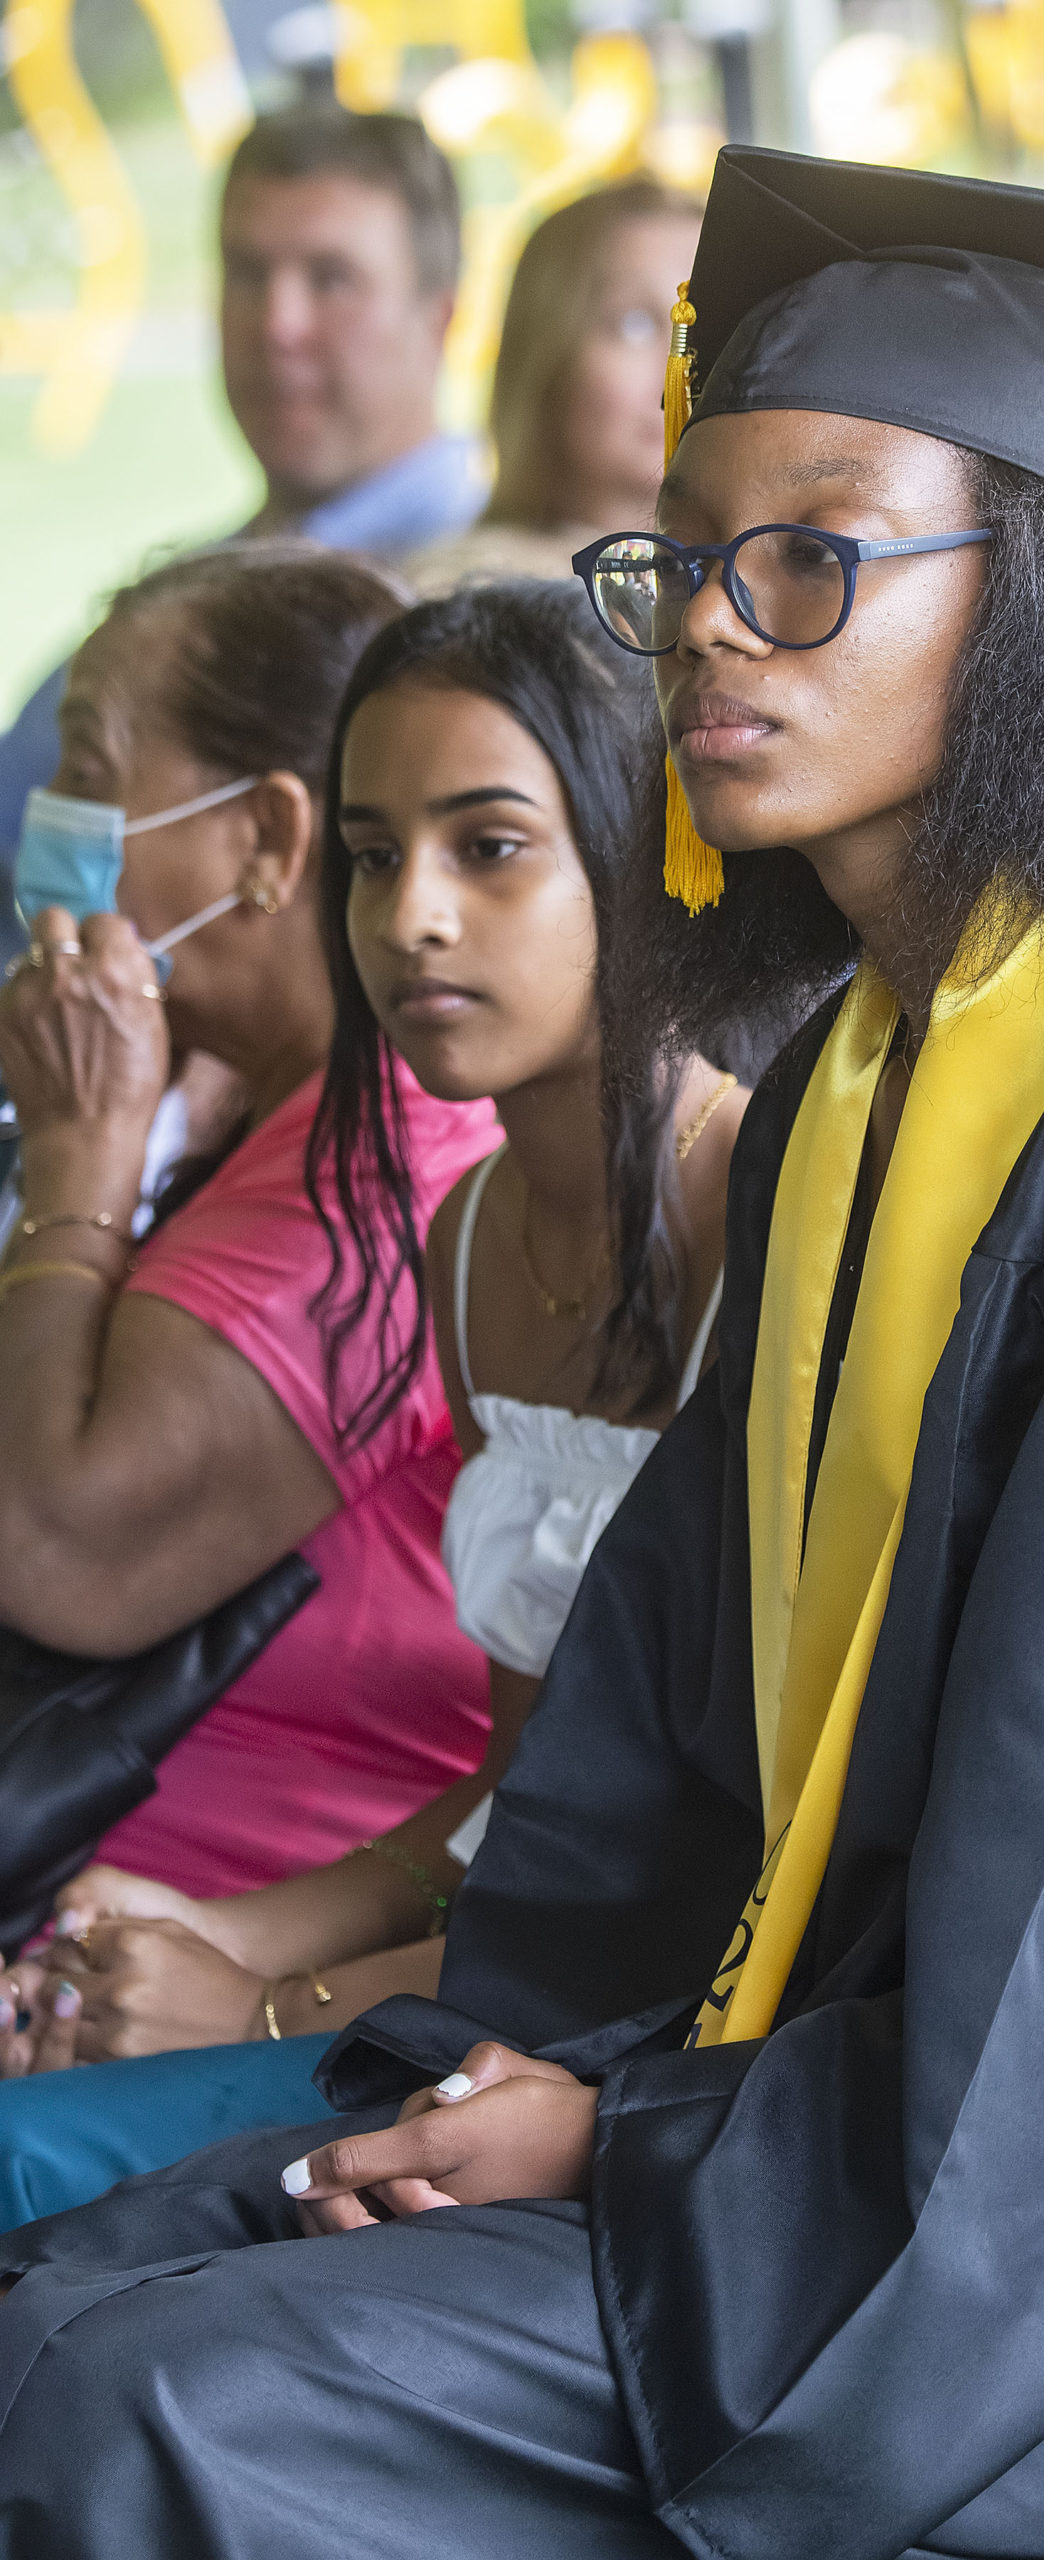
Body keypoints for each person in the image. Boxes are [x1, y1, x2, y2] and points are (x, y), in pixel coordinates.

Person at [0, 154, 1044, 2559]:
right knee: (56, 2296)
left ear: (1042, 603)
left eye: (812, 560)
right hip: (803, 2127)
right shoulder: (866, 1075)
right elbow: (672, 1774)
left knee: (155, 2403)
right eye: (682, 564)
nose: (711, 638)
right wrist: (554, 2071)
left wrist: (629, 2143)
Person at [0, 584, 746, 2224]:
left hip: (664, 2069)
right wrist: (236, 1936)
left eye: (489, 849)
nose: (411, 917)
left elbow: (712, 1874)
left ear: (631, 853)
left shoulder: (750, 1214)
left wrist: (273, 2001)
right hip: (486, 1987)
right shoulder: (474, 1240)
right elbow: (517, 1796)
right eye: (369, 852)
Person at [0, 547, 497, 1953]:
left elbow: (58, 1549)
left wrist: (81, 1163)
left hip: (156, 1987)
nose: (52, 821)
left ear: (271, 843)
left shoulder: (392, 1153)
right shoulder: (257, 1107)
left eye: (93, 765)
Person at [0, 103, 482, 948]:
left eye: (330, 278)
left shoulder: (483, 594)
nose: (276, 325)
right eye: (247, 273)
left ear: (439, 316)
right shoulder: (180, 601)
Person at [409, 181, 703, 594]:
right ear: (545, 354)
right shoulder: (469, 596)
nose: (683, 364)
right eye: (633, 324)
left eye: (701, 324)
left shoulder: (763, 580)